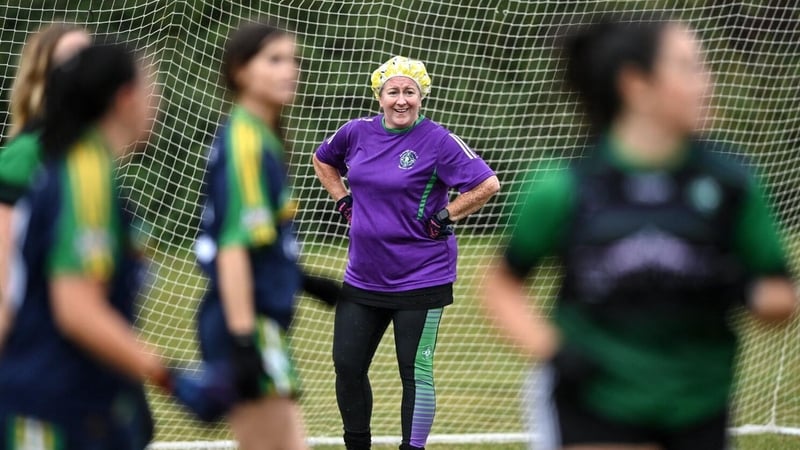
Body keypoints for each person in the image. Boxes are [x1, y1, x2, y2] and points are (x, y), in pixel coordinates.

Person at [482, 17, 797, 450]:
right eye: (689, 68)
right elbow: (503, 286)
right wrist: (555, 352)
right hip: (598, 406)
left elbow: (782, 296)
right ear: (636, 84)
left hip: (700, 405)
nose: (707, 83)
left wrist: (735, 288)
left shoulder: (732, 184)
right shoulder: (564, 187)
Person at [313, 56, 501, 450]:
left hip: (422, 277)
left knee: (414, 372)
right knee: (347, 366)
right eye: (393, 92)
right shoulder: (355, 132)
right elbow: (323, 159)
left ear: (422, 96)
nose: (401, 100)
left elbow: (487, 184)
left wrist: (446, 216)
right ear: (379, 97)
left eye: (409, 92)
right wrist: (343, 199)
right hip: (363, 276)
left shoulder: (438, 141)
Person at [0, 44, 170, 450]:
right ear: (124, 97)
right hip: (51, 404)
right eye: (152, 87)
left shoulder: (89, 168)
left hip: (84, 401)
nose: (158, 100)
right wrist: (170, 376)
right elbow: (77, 310)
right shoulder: (85, 171)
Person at [193, 22, 309, 449]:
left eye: (294, 60)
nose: (290, 70)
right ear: (240, 71)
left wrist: (307, 281)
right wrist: (244, 340)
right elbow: (233, 248)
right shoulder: (245, 140)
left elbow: (259, 238)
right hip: (247, 325)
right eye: (275, 60)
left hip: (259, 323)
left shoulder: (261, 135)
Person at [0, 23, 91, 347]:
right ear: (42, 77)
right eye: (72, 59)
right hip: (40, 349)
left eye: (90, 57)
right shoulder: (25, 155)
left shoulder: (91, 158)